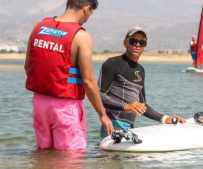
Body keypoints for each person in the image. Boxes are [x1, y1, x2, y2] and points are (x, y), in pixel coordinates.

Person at [24, 0, 114, 150]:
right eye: (90, 13)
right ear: (86, 9)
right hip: (65, 107)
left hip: (39, 104)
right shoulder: (80, 36)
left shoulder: (39, 27)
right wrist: (103, 115)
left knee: (44, 153)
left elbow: (28, 66)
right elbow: (88, 82)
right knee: (70, 159)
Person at [97, 26, 186, 138]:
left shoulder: (141, 70)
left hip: (129, 127)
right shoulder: (112, 63)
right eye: (133, 41)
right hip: (112, 125)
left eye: (142, 42)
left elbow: (142, 106)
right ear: (125, 43)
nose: (137, 45)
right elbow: (98, 95)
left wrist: (164, 118)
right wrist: (126, 106)